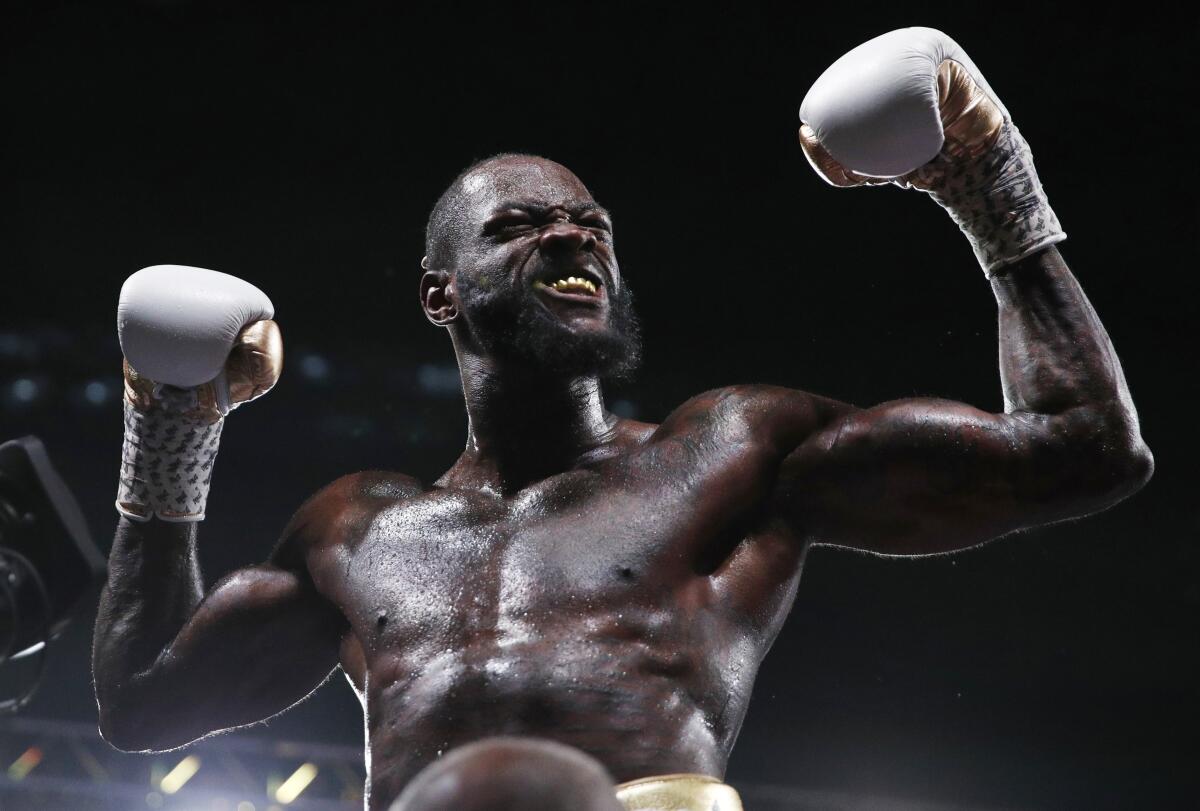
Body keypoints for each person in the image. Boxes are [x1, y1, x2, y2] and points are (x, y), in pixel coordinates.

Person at [92, 27, 1153, 811]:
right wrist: (171, 424)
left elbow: (1083, 452)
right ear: (440, 295)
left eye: (590, 226)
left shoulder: (727, 451)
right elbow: (142, 703)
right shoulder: (359, 528)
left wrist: (986, 179)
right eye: (521, 226)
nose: (570, 238)